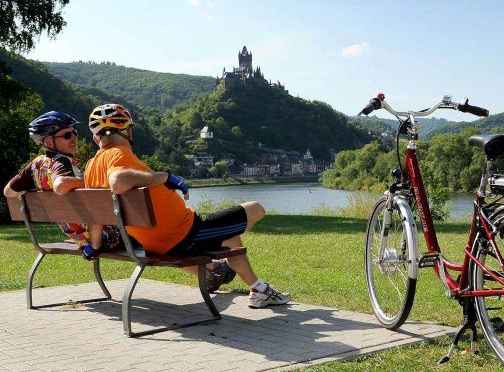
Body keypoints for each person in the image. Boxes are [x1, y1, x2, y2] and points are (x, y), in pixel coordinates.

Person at [82, 104, 289, 307]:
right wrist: (165, 177)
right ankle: (257, 289)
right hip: (186, 233)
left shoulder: (91, 167)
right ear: (128, 131)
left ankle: (249, 285)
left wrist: (95, 246)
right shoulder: (119, 154)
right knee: (255, 208)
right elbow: (118, 181)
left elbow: (96, 213)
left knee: (229, 233)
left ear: (95, 137)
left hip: (154, 243)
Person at [3, 111, 122, 254]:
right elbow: (60, 185)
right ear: (47, 141)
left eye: (74, 132)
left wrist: (39, 188)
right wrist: (94, 180)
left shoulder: (35, 166)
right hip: (106, 238)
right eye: (67, 135)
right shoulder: (61, 161)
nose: (74, 137)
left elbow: (8, 192)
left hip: (81, 239)